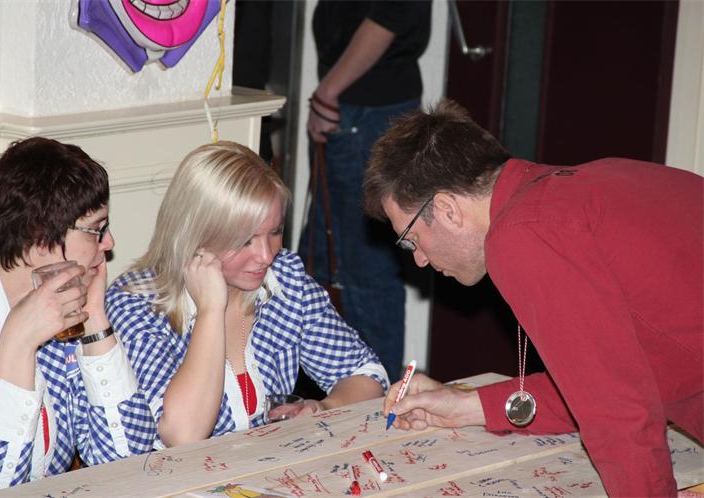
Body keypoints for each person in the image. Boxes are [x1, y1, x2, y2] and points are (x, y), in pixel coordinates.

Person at [364, 99, 703, 497]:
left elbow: (615, 412)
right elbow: (603, 382)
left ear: (447, 209)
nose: (419, 259)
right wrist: (466, 407)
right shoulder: (584, 185)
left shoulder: (526, 234)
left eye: (411, 240)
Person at [105, 141, 388, 448]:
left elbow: (367, 374)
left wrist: (324, 408)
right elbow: (182, 435)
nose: (266, 255)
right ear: (195, 235)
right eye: (245, 240)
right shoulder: (136, 304)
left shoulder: (284, 277)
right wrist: (211, 310)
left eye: (275, 232)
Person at [0, 137, 154, 495]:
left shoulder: (67, 304)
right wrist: (17, 345)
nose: (109, 243)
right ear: (40, 238)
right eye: (96, 229)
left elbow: (129, 459)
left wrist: (95, 319)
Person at [299, 0, 432, 382]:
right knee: (324, 260)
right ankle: (342, 391)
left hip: (365, 109)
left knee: (363, 268)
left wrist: (328, 92)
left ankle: (375, 398)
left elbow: (389, 16)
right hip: (360, 107)